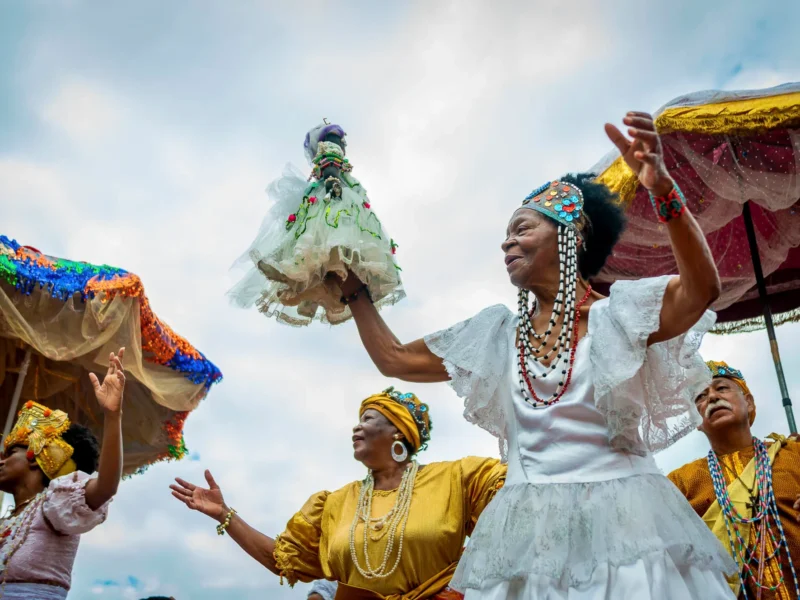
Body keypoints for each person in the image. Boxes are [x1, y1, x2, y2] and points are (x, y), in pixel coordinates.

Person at [332, 112, 738, 598]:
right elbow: (394, 358)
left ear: (572, 233)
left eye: (521, 228)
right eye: (506, 234)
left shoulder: (621, 315)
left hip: (631, 527)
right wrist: (356, 293)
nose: (507, 241)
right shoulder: (496, 335)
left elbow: (701, 288)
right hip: (529, 537)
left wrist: (663, 188)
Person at [170, 388, 505, 599]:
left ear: (399, 433)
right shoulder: (333, 503)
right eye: (358, 420)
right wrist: (225, 515)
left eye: (369, 418)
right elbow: (282, 560)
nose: (356, 427)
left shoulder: (456, 478)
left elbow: (519, 503)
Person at [228, 122, 404, 327]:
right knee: (334, 238)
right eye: (338, 140)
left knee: (330, 245)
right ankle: (337, 279)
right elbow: (330, 164)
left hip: (335, 195)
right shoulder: (331, 150)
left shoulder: (331, 158)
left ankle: (337, 280)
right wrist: (333, 181)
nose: (340, 144)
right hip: (334, 198)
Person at [0, 348, 126, 599]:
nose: (1, 460)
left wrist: (113, 416)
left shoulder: (57, 502)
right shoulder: (9, 519)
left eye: (9, 452)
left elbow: (106, 487)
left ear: (34, 458)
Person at [668, 361, 800, 599]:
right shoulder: (680, 482)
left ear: (748, 402)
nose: (713, 398)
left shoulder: (794, 454)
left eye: (722, 388)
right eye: (701, 396)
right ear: (696, 421)